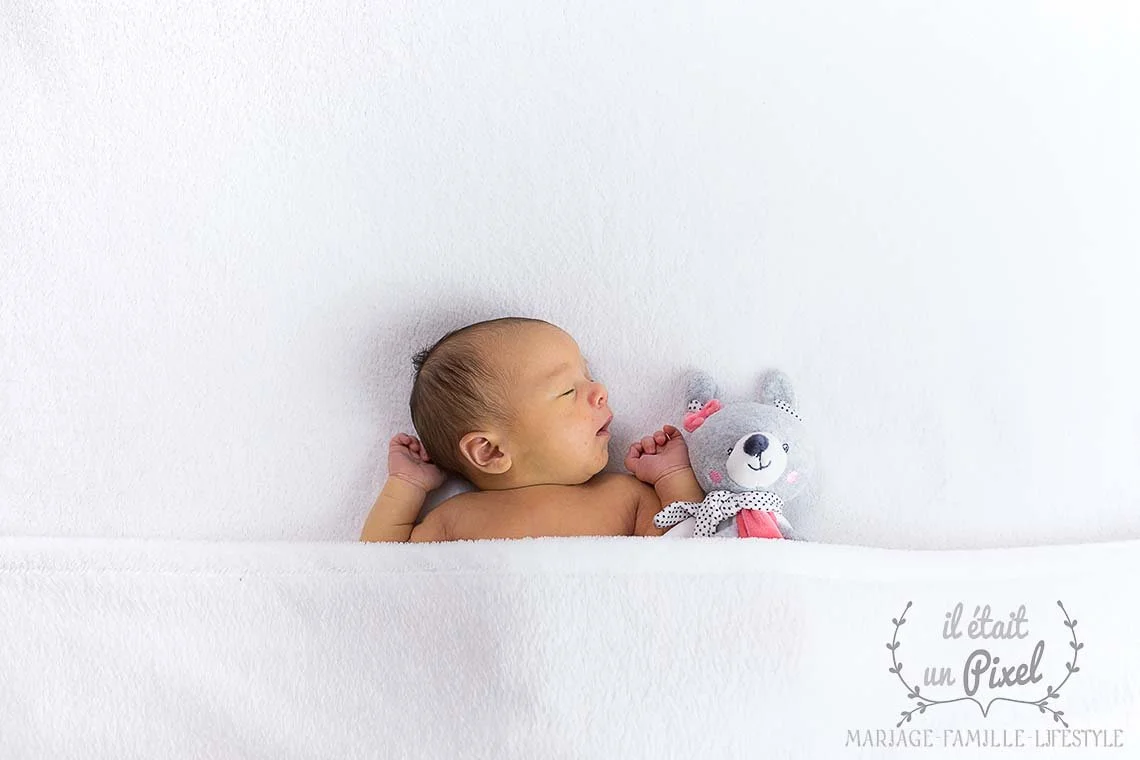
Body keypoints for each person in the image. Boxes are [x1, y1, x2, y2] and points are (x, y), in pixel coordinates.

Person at [359, 316, 705, 542]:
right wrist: (406, 487)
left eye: (588, 376)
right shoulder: (453, 518)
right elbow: (380, 570)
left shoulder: (625, 495)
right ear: (491, 451)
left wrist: (673, 477)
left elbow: (689, 546)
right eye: (568, 391)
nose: (600, 390)